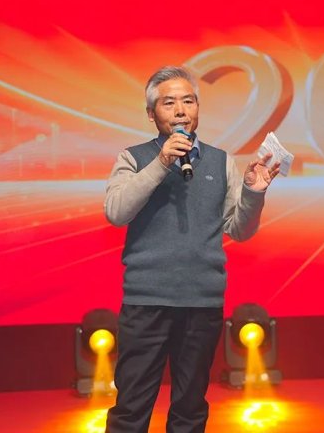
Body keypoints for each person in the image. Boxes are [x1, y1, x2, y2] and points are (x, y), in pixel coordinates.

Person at [103, 65, 280, 433]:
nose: (181, 111)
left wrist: (254, 192)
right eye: (169, 103)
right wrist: (162, 162)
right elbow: (116, 212)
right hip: (147, 301)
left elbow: (239, 229)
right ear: (151, 113)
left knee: (190, 409)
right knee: (131, 408)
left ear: (198, 108)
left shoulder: (221, 161)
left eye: (188, 101)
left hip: (202, 302)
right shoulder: (133, 158)